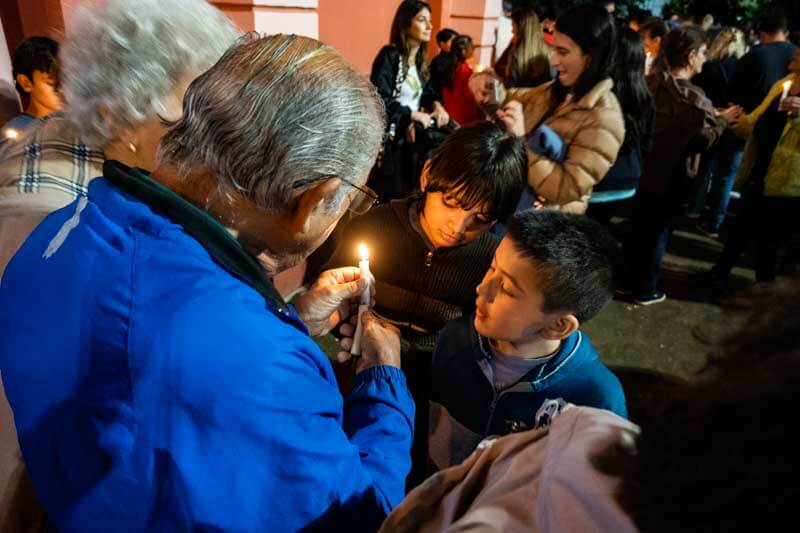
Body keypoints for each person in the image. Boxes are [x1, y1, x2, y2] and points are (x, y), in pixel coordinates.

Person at [0, 33, 414, 532]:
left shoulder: (64, 229)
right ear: (314, 199)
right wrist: (382, 384)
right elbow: (365, 518)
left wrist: (287, 320)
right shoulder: (257, 368)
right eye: (351, 200)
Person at [0, 0, 238, 516]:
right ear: (115, 116)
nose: (215, 140)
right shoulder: (52, 225)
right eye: (191, 116)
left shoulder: (110, 180)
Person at [381, 283, 800, 533]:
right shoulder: (459, 339)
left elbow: (416, 515)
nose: (481, 290)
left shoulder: (587, 416)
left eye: (508, 286)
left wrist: (380, 378)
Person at [330, 121, 527, 488]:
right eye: (451, 202)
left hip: (437, 398)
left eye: (481, 219)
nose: (458, 225)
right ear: (427, 176)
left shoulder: (493, 261)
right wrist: (339, 316)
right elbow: (334, 292)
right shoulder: (374, 226)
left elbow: (488, 341)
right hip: (359, 377)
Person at [428, 210, 627, 472]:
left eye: (507, 289)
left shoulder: (595, 399)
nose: (483, 288)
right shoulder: (453, 339)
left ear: (558, 326)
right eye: (492, 268)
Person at [624, 26, 737, 305]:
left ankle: (626, 279)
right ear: (689, 56)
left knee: (638, 228)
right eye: (701, 53)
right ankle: (645, 289)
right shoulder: (694, 97)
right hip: (671, 176)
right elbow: (701, 138)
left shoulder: (651, 83)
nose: (705, 59)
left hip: (641, 171)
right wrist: (722, 121)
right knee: (658, 233)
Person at [497, 4, 625, 214]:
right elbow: (513, 98)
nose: (554, 60)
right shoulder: (557, 89)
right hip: (514, 213)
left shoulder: (604, 118)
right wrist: (488, 90)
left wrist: (520, 142)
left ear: (591, 56)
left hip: (544, 229)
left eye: (563, 52)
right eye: (554, 49)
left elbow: (564, 187)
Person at [709, 50, 800, 301]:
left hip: (788, 184)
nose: (795, 52)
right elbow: (758, 119)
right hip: (761, 170)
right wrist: (736, 120)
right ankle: (719, 274)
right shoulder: (784, 83)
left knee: (771, 242)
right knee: (739, 228)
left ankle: (765, 297)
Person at [369, 0, 450, 201]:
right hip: (392, 143)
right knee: (388, 196)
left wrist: (437, 106)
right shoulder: (390, 56)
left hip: (411, 142)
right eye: (422, 20)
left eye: (430, 21)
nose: (430, 27)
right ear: (406, 23)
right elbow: (379, 99)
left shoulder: (422, 61)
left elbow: (429, 91)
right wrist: (411, 114)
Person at [587, 26, 655, 220]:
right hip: (628, 182)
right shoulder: (645, 97)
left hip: (596, 182)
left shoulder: (597, 93)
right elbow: (646, 144)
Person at [688, 27, 748, 235]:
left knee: (704, 167)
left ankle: (694, 208)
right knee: (726, 176)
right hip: (733, 122)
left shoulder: (710, 65)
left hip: (712, 119)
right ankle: (715, 220)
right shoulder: (743, 66)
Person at [729, 14, 796, 113]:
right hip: (785, 119)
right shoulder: (796, 55)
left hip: (751, 119)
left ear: (762, 35)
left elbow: (734, 92)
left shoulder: (754, 55)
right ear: (786, 34)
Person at [2, 36, 61, 138]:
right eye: (51, 83)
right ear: (26, 83)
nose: (62, 89)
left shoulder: (76, 120)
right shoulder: (17, 132)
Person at [494, 7, 551, 89]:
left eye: (513, 26)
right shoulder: (550, 50)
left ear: (520, 28)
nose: (512, 31)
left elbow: (510, 85)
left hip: (520, 99)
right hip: (542, 99)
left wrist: (507, 71)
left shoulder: (515, 52)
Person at [441, 35, 483, 126]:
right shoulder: (466, 72)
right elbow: (472, 97)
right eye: (471, 47)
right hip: (463, 120)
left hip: (449, 118)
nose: (473, 49)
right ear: (464, 51)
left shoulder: (448, 67)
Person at [430, 28, 458, 95]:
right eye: (452, 41)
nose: (456, 44)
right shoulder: (438, 62)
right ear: (442, 44)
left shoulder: (457, 57)